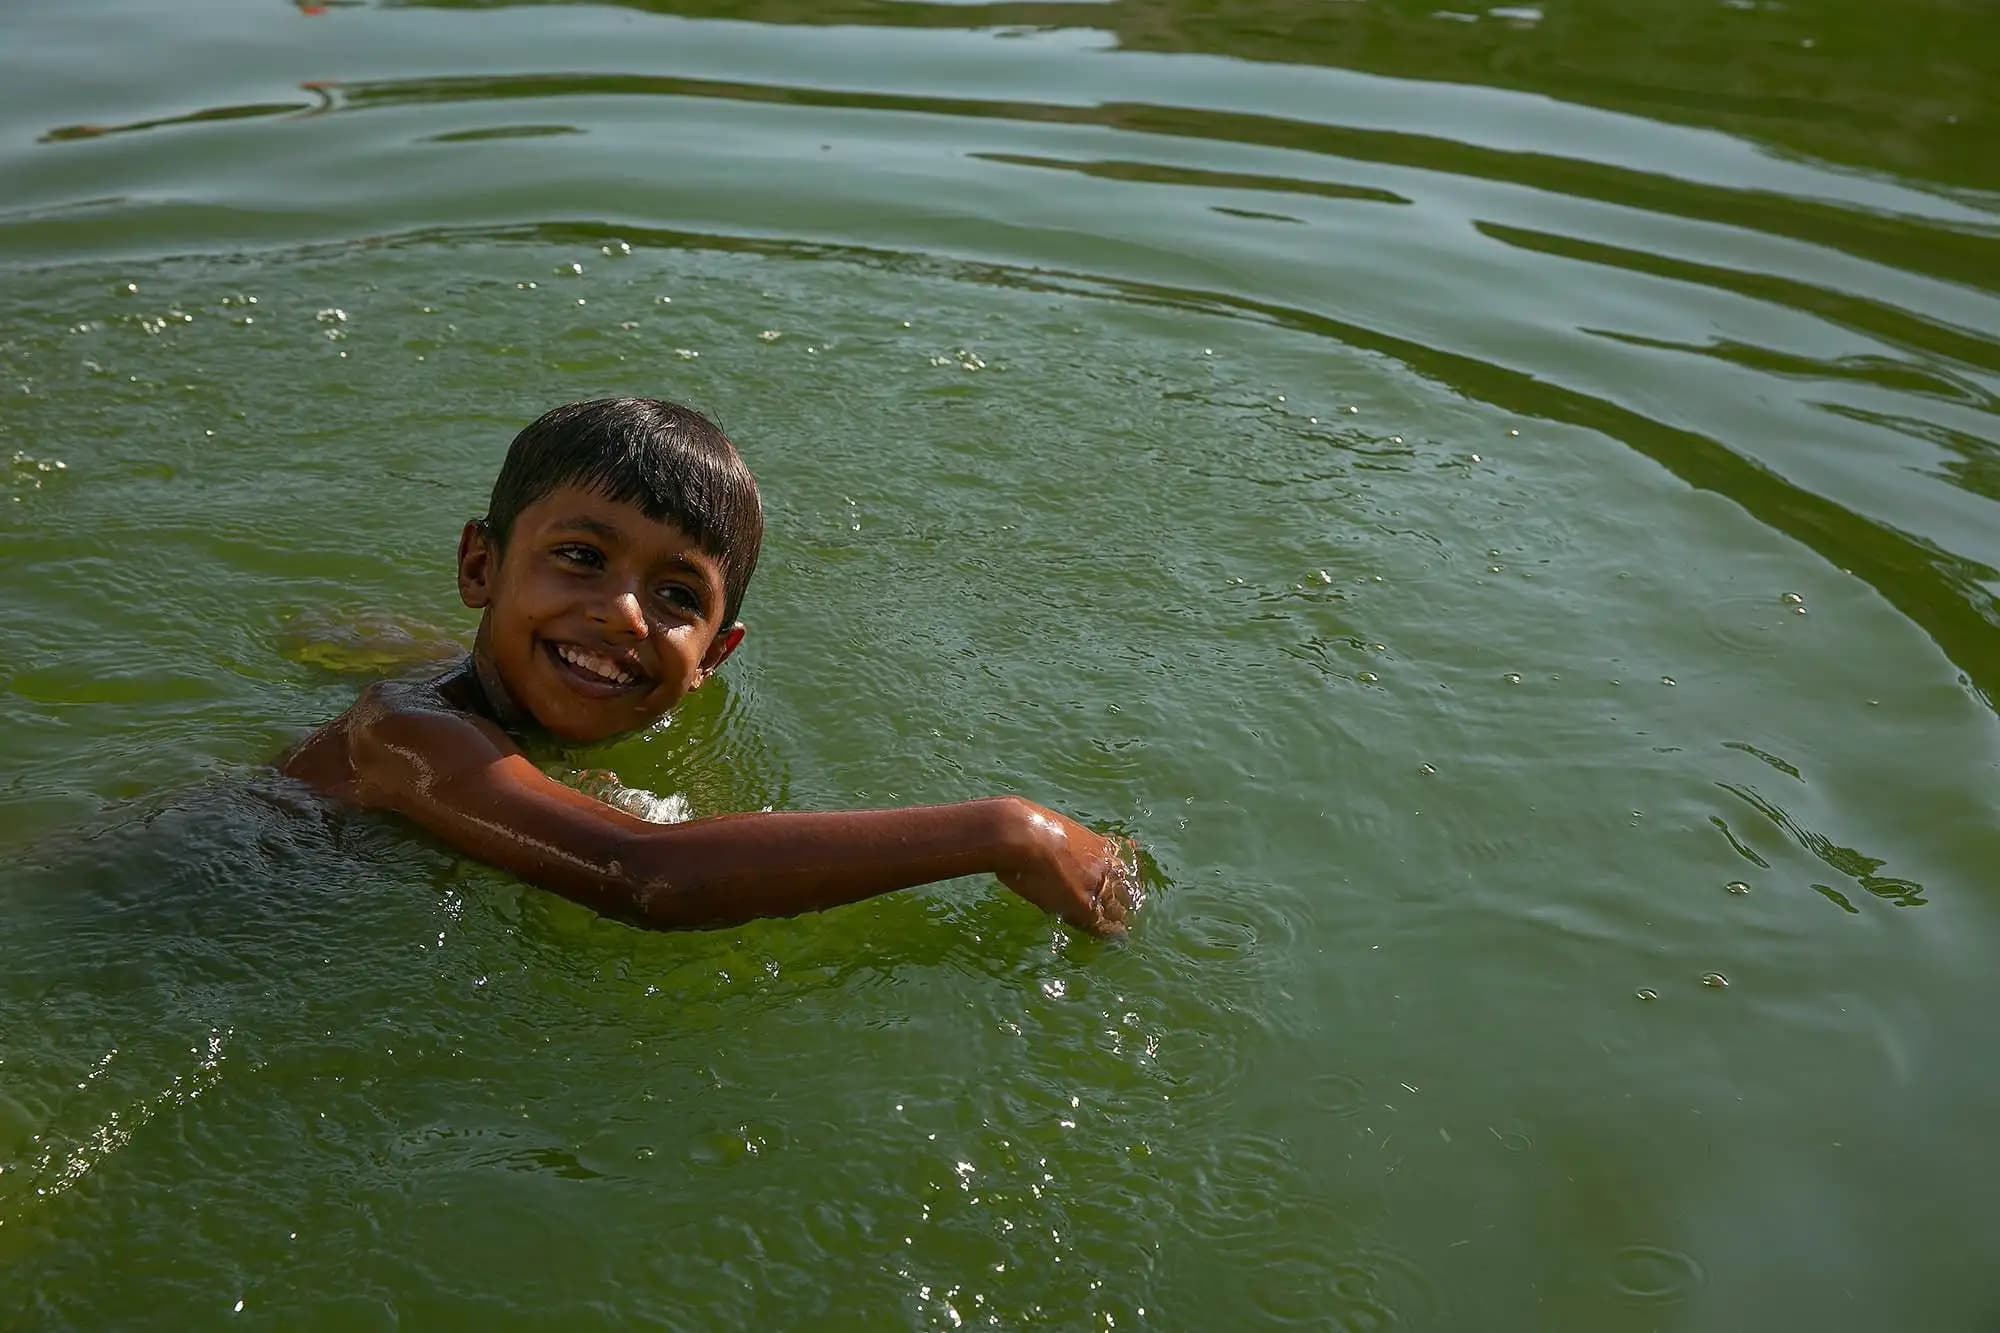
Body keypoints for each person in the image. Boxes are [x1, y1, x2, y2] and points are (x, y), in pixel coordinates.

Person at [282, 397, 1137, 935]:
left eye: (679, 597)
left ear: (713, 660)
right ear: (480, 568)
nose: (625, 613)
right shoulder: (410, 734)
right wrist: (1004, 831)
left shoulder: (470, 687)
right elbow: (647, 875)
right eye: (580, 556)